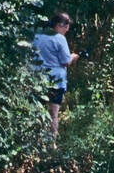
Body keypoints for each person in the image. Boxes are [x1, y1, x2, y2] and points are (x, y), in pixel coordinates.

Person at [32, 11, 80, 139]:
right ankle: (51, 144)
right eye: (66, 27)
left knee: (37, 112)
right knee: (53, 114)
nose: (67, 30)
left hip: (37, 79)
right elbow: (66, 61)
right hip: (55, 82)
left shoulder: (38, 35)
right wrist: (74, 57)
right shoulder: (60, 38)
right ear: (59, 25)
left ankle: (36, 141)